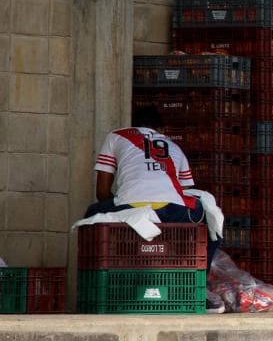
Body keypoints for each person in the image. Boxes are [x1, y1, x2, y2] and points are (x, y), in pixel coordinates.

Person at [86, 105, 223, 311]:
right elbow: (186, 192)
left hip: (130, 205)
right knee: (212, 228)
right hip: (174, 211)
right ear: (161, 129)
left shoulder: (116, 136)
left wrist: (124, 213)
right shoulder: (174, 146)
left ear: (133, 124)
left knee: (91, 215)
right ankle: (197, 289)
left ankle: (97, 289)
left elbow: (102, 191)